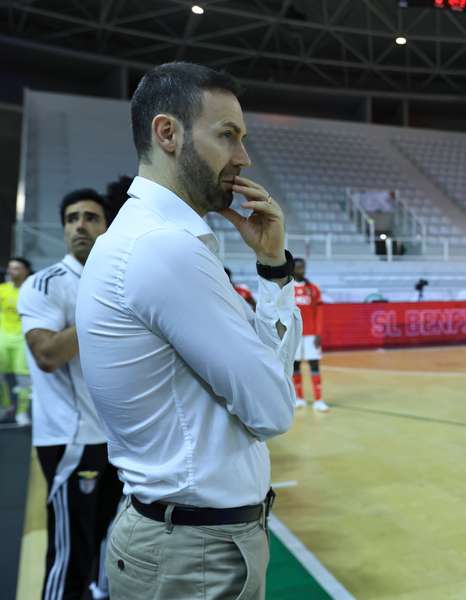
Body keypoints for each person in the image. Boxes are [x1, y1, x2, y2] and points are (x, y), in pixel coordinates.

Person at [75, 61, 301, 600]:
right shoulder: (163, 249)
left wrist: (273, 267)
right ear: (167, 133)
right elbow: (273, 410)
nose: (243, 157)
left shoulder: (147, 238)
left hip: (181, 542)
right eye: (228, 135)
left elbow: (267, 390)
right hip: (192, 555)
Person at [17, 189, 123, 600]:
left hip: (119, 439)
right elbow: (47, 355)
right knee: (71, 554)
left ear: (106, 227)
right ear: (63, 228)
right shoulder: (45, 284)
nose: (80, 225)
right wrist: (102, 311)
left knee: (109, 543)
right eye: (72, 218)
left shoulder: (118, 281)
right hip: (72, 439)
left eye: (91, 217)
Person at [291, 258, 328, 412]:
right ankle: (299, 398)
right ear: (292, 269)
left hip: (311, 333)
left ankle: (319, 400)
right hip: (293, 334)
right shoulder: (286, 289)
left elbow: (319, 312)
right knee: (295, 365)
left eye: (303, 267)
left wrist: (319, 333)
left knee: (314, 364)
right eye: (298, 267)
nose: (302, 270)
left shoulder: (313, 288)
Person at [0, 256, 32, 424]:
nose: (10, 271)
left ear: (25, 271)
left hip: (22, 339)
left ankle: (22, 412)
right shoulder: (2, 289)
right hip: (3, 338)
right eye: (9, 268)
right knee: (2, 375)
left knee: (23, 378)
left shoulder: (31, 290)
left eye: (15, 268)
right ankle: (6, 407)